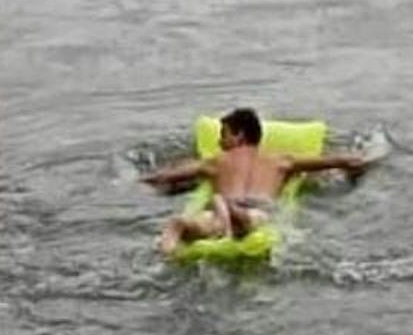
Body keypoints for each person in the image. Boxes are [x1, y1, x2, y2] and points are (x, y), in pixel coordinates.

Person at [145, 107, 371, 257]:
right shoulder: (282, 161)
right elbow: (344, 161)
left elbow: (161, 178)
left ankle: (168, 256)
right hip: (257, 213)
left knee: (177, 224)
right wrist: (358, 166)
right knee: (248, 216)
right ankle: (235, 215)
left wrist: (155, 175)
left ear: (240, 135)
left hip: (217, 214)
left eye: (223, 134)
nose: (219, 141)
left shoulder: (213, 162)